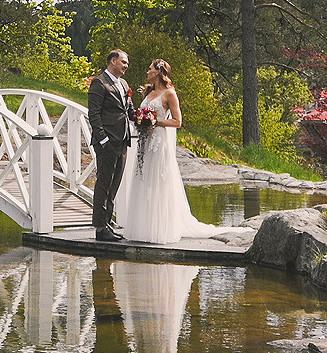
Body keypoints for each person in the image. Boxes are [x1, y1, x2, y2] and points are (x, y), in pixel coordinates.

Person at [119, 59, 229, 246]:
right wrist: (140, 120)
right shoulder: (148, 92)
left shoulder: (170, 93)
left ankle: (159, 229)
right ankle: (143, 228)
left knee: (158, 182)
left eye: (150, 69)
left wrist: (155, 122)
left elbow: (177, 122)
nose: (147, 72)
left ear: (159, 72)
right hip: (145, 142)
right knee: (143, 180)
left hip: (159, 142)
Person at [84, 49, 134, 240]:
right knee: (104, 184)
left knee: (114, 185)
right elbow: (94, 114)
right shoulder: (99, 83)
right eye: (123, 62)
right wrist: (103, 139)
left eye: (126, 63)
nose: (126, 66)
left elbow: (128, 110)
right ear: (113, 61)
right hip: (107, 142)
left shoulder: (124, 84)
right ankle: (99, 228)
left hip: (123, 140)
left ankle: (106, 223)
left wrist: (145, 117)